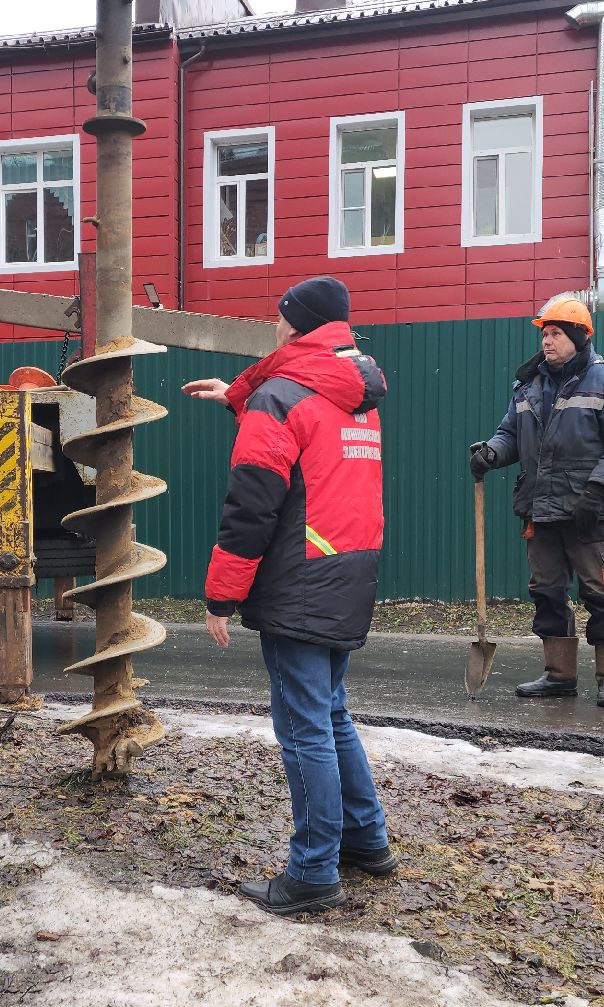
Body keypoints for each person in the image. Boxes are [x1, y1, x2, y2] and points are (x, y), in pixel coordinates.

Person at [182, 275, 394, 917]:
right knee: (330, 714)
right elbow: (307, 431)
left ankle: (312, 872)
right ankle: (366, 840)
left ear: (295, 326)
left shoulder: (280, 397)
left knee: (304, 729)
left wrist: (221, 595)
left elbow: (252, 507)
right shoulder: (356, 391)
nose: (272, 325)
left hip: (298, 579)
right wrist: (239, 400)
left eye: (278, 317)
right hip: (347, 567)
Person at [469, 295, 604, 707]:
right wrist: (492, 453)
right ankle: (559, 675)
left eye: (556, 334)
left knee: (600, 592)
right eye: (545, 334)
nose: (547, 341)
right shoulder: (529, 385)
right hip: (540, 507)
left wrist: (598, 490)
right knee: (547, 591)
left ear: (580, 337)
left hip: (589, 509)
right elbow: (510, 434)